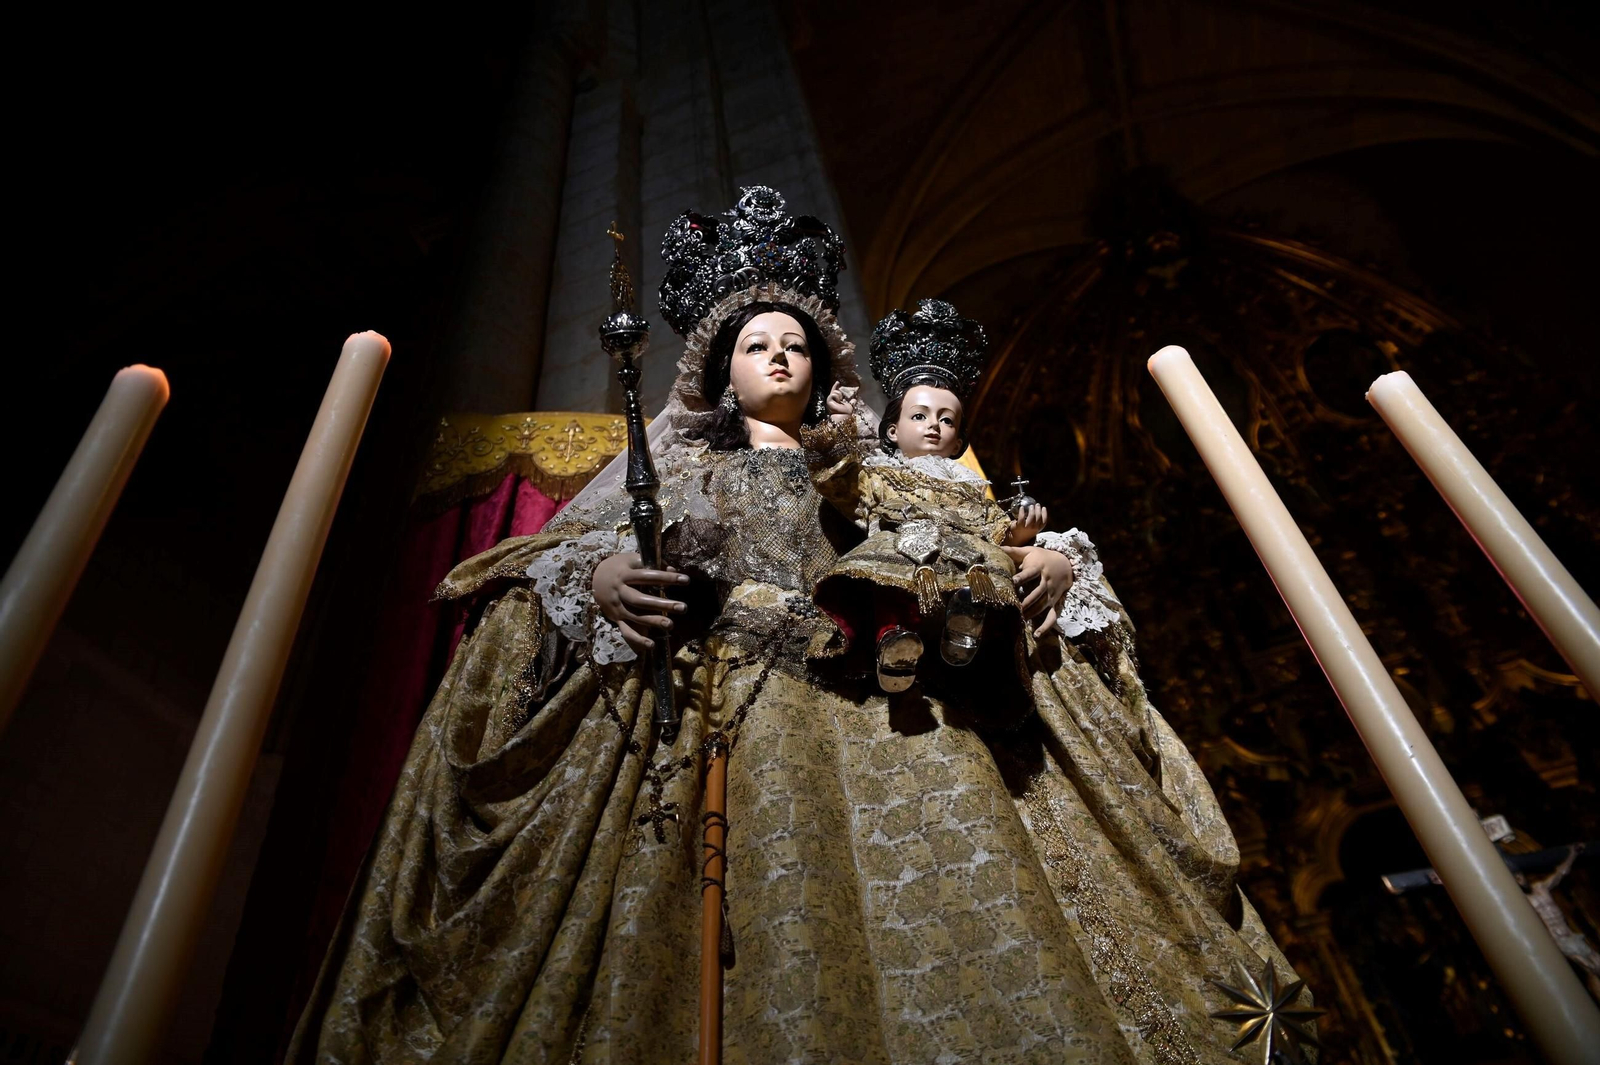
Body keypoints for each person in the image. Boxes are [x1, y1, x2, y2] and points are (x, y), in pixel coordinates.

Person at [289, 186, 1306, 1065]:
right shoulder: (681, 466)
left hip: (897, 717)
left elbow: (970, 544)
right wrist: (596, 571)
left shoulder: (871, 475)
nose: (776, 354)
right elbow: (543, 561)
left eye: (793, 343)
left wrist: (1046, 558)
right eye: (752, 344)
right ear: (715, 370)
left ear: (824, 367)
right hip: (740, 715)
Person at [810, 298, 1122, 693]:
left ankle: (966, 626)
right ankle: (893, 638)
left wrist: (1022, 534)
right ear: (892, 430)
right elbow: (842, 486)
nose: (933, 427)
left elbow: (996, 532)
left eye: (946, 420)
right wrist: (840, 428)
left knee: (987, 562)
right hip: (906, 547)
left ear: (958, 439)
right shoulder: (881, 474)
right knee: (888, 566)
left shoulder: (968, 485)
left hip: (963, 555)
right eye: (919, 416)